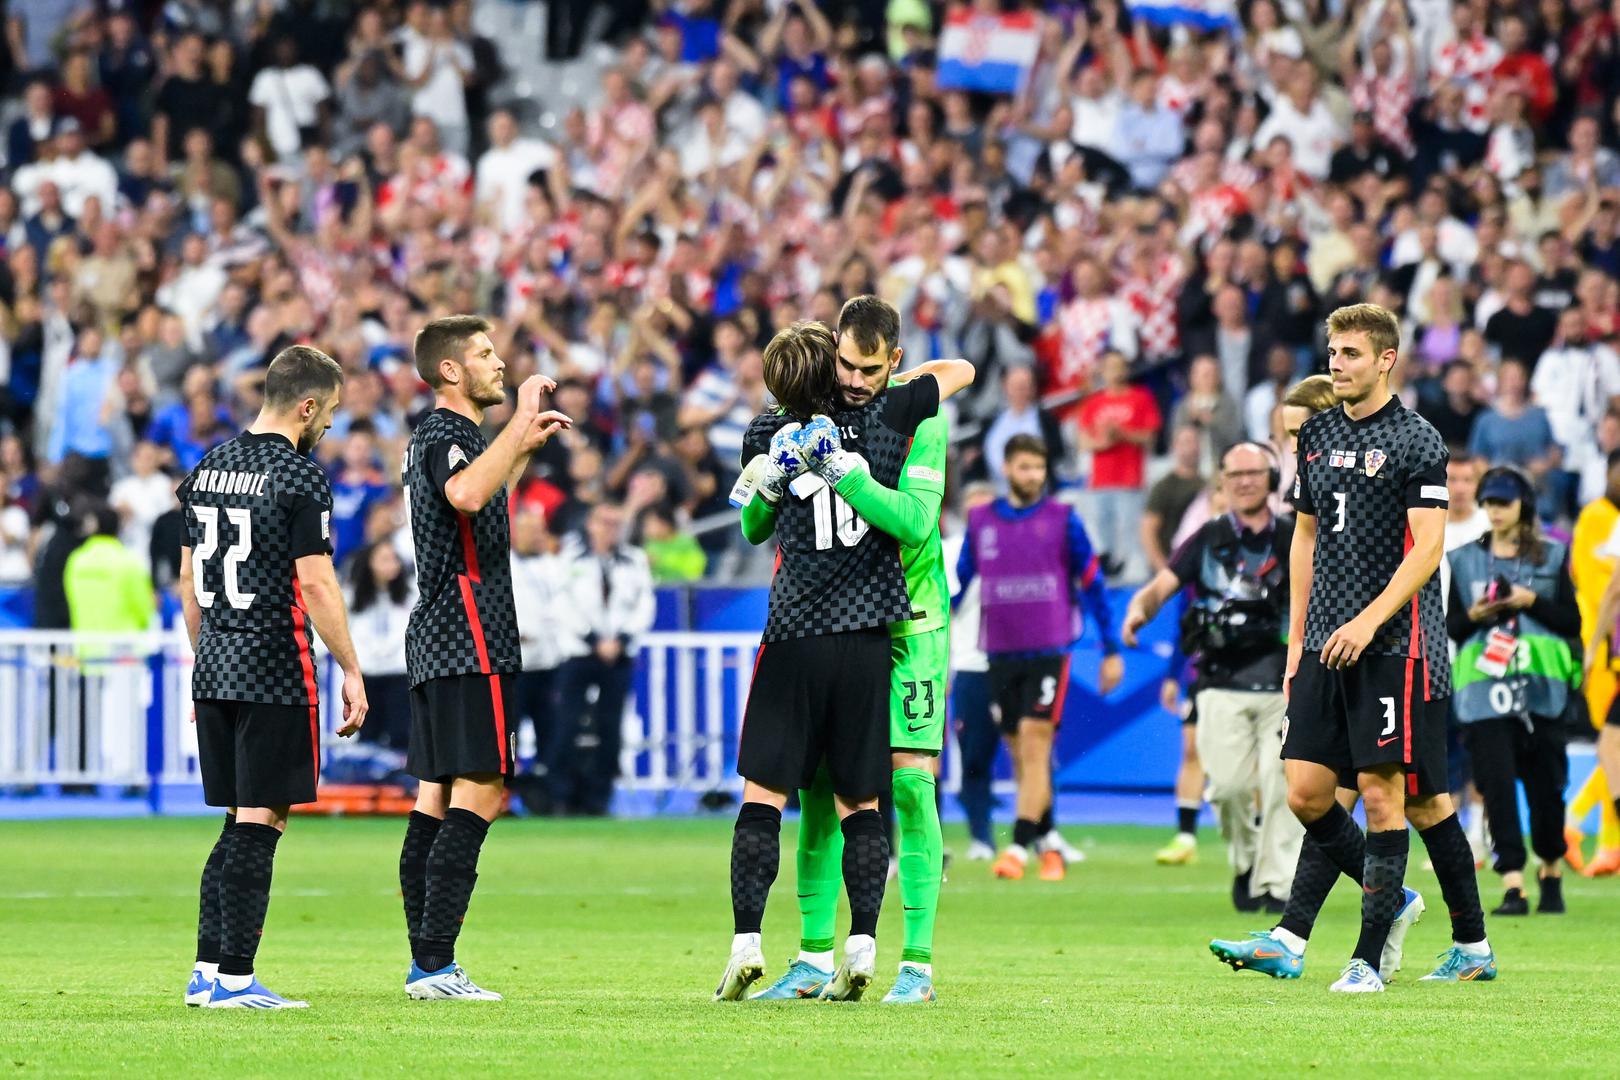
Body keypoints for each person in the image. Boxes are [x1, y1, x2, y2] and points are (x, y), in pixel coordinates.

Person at [1211, 303, 1494, 992]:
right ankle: (1407, 909)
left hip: (1395, 645)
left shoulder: (1417, 440)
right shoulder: (1318, 436)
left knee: (1389, 797)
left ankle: (1364, 959)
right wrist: (1297, 644)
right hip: (1322, 642)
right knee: (1307, 792)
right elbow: (1306, 540)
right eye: (1333, 352)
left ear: (1386, 359)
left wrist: (1368, 621)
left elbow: (1428, 546)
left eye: (1350, 354)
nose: (1336, 364)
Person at [717, 316, 968, 1003]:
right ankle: (813, 958)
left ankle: (915, 964)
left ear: (895, 361)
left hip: (912, 618)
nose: (853, 383)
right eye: (843, 369)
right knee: (822, 792)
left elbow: (917, 522)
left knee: (909, 784)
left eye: (868, 370)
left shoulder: (918, 415)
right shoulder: (831, 413)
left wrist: (841, 475)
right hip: (852, 625)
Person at [176, 346, 369, 1009]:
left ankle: (207, 972)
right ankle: (234, 978)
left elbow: (188, 585)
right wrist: (350, 666)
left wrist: (206, 663)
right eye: (332, 413)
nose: (331, 427)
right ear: (307, 406)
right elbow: (314, 580)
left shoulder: (207, 467)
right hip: (273, 665)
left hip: (218, 663)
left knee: (236, 820)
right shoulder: (299, 477)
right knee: (263, 820)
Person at [398, 315, 571, 1002]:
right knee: (482, 790)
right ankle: (435, 965)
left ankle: (425, 961)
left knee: (435, 798)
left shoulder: (446, 439)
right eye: (484, 354)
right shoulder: (447, 433)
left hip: (442, 631)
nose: (498, 364)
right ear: (450, 371)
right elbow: (466, 494)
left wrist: (521, 445)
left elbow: (480, 495)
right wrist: (520, 416)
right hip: (471, 631)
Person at [1124, 443, 1301, 913]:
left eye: (1254, 472)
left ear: (1271, 478)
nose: (1245, 481)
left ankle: (1275, 886)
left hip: (1284, 684)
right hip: (1220, 681)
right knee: (1227, 789)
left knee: (1281, 786)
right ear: (1221, 481)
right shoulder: (1205, 537)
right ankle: (1246, 863)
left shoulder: (1295, 536)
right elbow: (1163, 585)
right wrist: (1139, 610)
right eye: (1235, 473)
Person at [957, 435, 1123, 883]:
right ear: (1007, 468)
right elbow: (957, 586)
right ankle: (1050, 845)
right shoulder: (981, 522)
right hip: (999, 652)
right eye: (1024, 467)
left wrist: (1111, 649)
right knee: (1021, 754)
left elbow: (1093, 584)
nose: (1032, 475)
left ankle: (1015, 846)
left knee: (1034, 744)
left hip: (1050, 650)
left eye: (1038, 467)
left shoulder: (1063, 519)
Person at [1448, 467, 1579, 915]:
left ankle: (1552, 870)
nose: (1495, 511)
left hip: (1541, 690)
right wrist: (1480, 611)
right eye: (1489, 503)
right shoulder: (1465, 558)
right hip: (1484, 691)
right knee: (1496, 787)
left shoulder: (1553, 556)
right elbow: (1455, 627)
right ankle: (1512, 885)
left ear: (1523, 504)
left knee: (1547, 790)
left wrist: (1531, 601)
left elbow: (1571, 622)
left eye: (1502, 502)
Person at [552, 501, 655, 816]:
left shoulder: (634, 561)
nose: (610, 528)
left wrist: (622, 639)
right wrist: (593, 639)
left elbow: (644, 603)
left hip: (618, 655)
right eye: (604, 522)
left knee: (610, 727)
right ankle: (561, 797)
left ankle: (599, 798)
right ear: (590, 524)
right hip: (580, 652)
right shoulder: (570, 558)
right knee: (567, 724)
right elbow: (562, 603)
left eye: (615, 522)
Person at [947, 482, 997, 861]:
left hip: (1014, 663)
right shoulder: (951, 552)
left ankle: (1045, 836)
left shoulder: (1013, 547)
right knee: (974, 756)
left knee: (1033, 750)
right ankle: (983, 838)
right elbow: (945, 606)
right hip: (969, 664)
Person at [509, 507, 569, 805]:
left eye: (538, 528)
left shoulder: (556, 565)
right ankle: (506, 792)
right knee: (510, 731)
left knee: (552, 731)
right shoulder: (502, 564)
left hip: (549, 662)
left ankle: (549, 793)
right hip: (514, 663)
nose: (533, 534)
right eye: (527, 528)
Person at [347, 539, 415, 751]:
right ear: (369, 563)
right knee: (367, 737)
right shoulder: (351, 595)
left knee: (400, 735)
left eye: (394, 559)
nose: (391, 565)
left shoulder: (412, 593)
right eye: (384, 559)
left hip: (399, 676)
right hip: (367, 677)